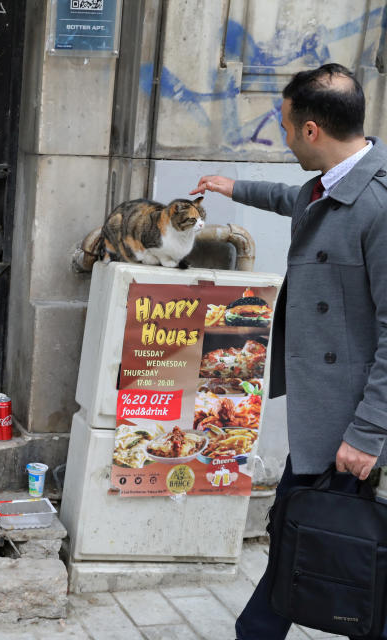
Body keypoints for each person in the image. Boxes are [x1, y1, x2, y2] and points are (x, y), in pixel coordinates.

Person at [191, 62, 387, 640]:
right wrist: (234, 188)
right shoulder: (332, 184)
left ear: (311, 131)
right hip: (326, 414)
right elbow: (293, 199)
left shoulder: (377, 205)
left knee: (329, 543)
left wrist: (367, 433)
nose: (280, 135)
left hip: (349, 423)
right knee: (304, 536)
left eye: (284, 125)